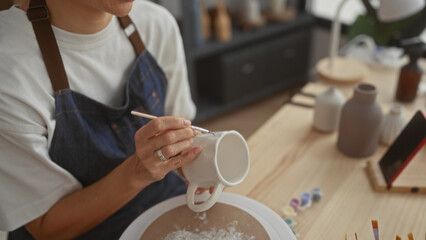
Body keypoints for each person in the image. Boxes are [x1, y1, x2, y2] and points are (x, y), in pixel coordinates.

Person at [0, 0, 206, 239]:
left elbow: (186, 132)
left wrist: (197, 164)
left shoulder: (157, 23)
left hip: (163, 204)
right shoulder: (10, 71)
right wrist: (138, 171)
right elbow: (45, 226)